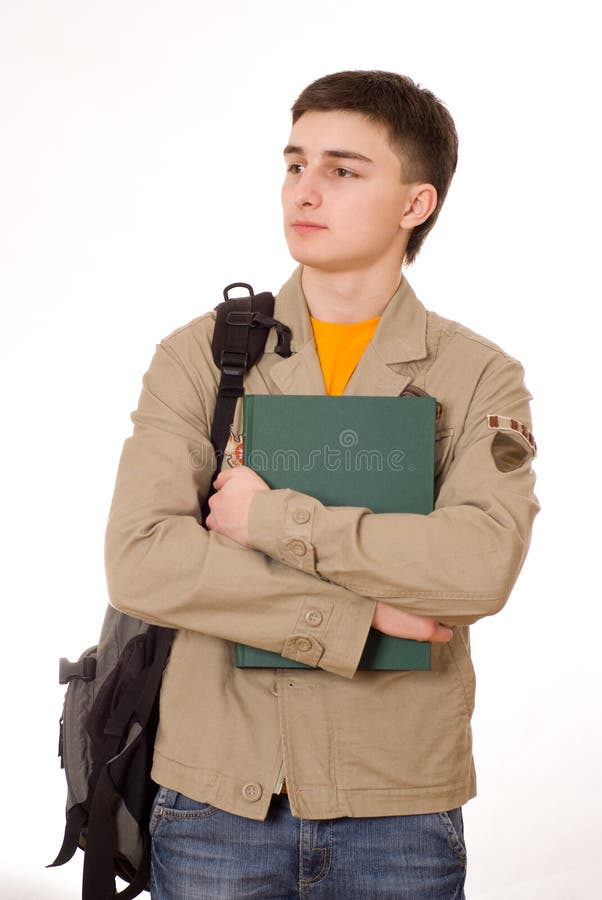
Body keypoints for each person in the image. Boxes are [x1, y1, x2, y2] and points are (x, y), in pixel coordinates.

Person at [105, 70, 539, 899]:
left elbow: (479, 566)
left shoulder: (479, 375)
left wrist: (269, 519)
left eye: (343, 170)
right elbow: (142, 560)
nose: (305, 190)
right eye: (295, 163)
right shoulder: (200, 355)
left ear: (417, 205)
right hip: (213, 803)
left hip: (400, 806)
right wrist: (358, 616)